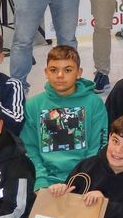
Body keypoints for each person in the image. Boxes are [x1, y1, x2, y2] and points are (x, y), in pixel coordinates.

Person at [21, 45, 108, 188]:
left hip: (86, 179)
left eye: (68, 70)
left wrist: (83, 178)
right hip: (45, 181)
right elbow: (29, 148)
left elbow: (98, 146)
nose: (60, 75)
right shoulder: (34, 105)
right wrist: (41, 180)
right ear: (46, 72)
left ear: (79, 72)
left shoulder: (94, 103)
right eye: (54, 70)